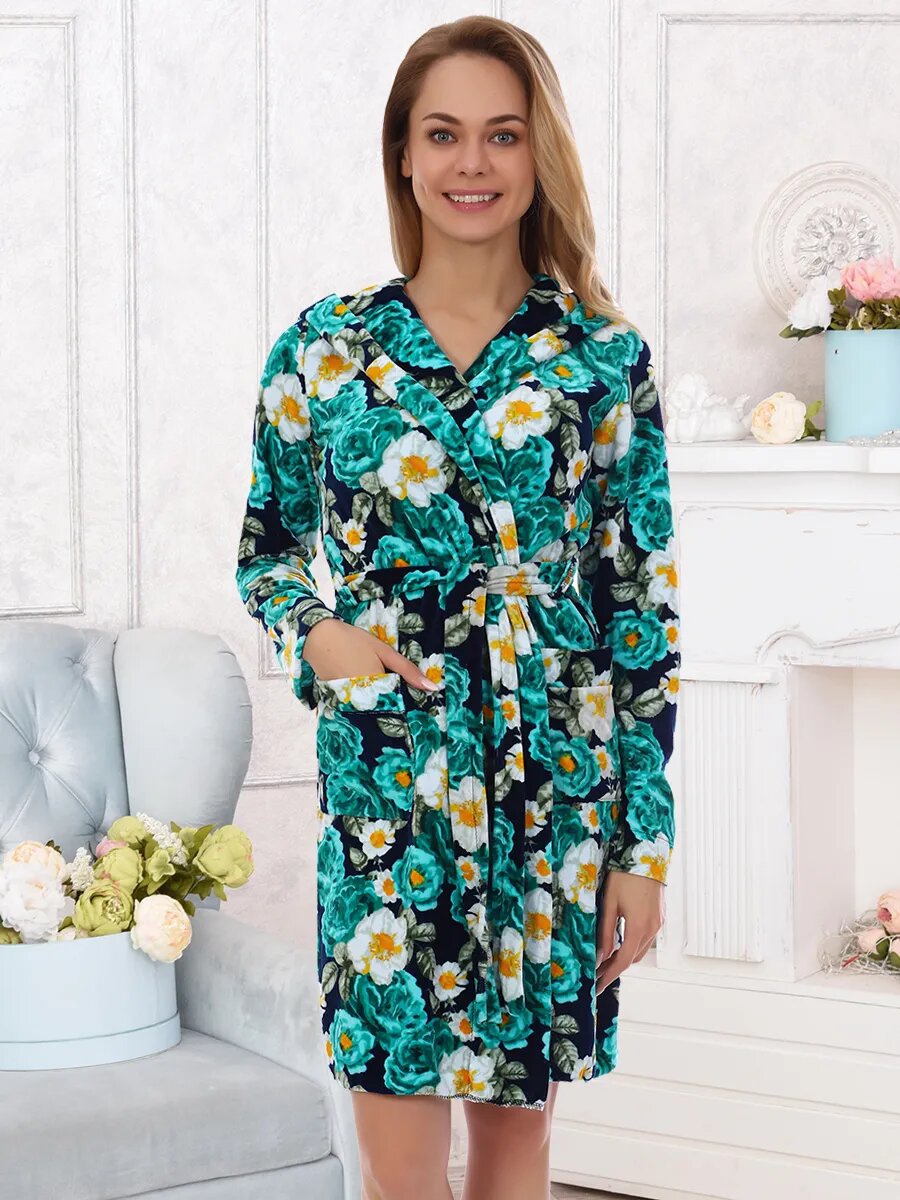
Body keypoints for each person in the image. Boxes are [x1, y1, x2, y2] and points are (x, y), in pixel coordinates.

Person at [235, 15, 680, 1200]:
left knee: (518, 1148)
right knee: (397, 1160)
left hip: (555, 786)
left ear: (539, 156)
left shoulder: (601, 358)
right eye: (443, 134)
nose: (471, 163)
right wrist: (321, 636)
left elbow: (641, 611)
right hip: (391, 785)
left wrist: (641, 852)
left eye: (502, 134)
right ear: (403, 154)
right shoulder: (325, 349)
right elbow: (267, 554)